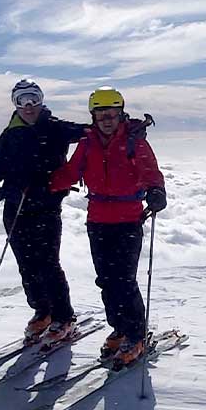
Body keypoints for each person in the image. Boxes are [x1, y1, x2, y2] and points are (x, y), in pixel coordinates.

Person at [0, 79, 88, 345]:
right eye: (21, 100)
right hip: (15, 209)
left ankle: (63, 317)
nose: (28, 105)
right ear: (15, 104)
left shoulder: (56, 129)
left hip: (45, 208)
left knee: (48, 264)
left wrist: (125, 125)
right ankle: (42, 311)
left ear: (41, 100)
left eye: (33, 98)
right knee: (27, 265)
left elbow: (94, 132)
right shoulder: (10, 135)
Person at [49, 86, 166, 367]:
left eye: (112, 112)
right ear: (93, 115)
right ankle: (120, 328)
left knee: (124, 281)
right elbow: (71, 172)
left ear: (120, 113)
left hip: (128, 219)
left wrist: (157, 191)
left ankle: (136, 334)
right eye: (101, 113)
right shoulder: (88, 144)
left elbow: (151, 172)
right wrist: (43, 185)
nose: (107, 118)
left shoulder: (134, 142)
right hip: (98, 220)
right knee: (106, 280)